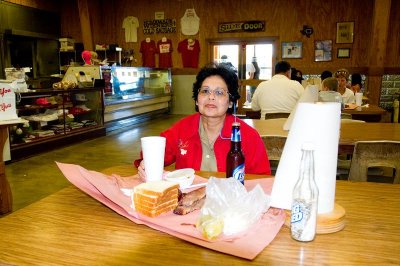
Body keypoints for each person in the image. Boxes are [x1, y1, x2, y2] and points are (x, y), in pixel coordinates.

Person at [136, 63, 271, 180]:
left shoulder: (247, 136)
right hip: (187, 201)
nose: (211, 97)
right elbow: (154, 154)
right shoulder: (182, 128)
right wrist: (146, 163)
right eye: (205, 91)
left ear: (230, 102)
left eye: (219, 92)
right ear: (196, 99)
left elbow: (262, 179)